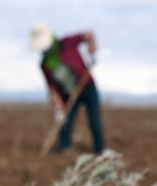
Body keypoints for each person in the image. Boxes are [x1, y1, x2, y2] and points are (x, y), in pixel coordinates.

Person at [31, 24, 105, 154]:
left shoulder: (67, 43)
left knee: (94, 121)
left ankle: (100, 150)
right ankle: (64, 147)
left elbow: (89, 34)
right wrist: (57, 106)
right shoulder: (45, 64)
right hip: (68, 94)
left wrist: (91, 47)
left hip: (87, 86)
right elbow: (52, 88)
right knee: (66, 122)